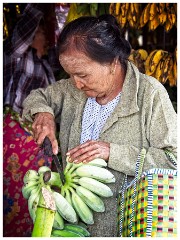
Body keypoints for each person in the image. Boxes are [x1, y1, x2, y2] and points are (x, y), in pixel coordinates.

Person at [22, 14, 177, 237]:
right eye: (70, 75)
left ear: (113, 62)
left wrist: (112, 152)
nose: (76, 83)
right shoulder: (71, 90)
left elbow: (174, 160)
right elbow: (38, 97)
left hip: (128, 227)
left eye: (82, 75)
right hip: (73, 227)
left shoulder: (149, 95)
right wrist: (43, 114)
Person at [3, 3, 60, 237]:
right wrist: (40, 8)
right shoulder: (13, 56)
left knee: (37, 192)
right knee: (13, 192)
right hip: (12, 135)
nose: (45, 37)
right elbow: (21, 33)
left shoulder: (47, 66)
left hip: (36, 141)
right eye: (40, 32)